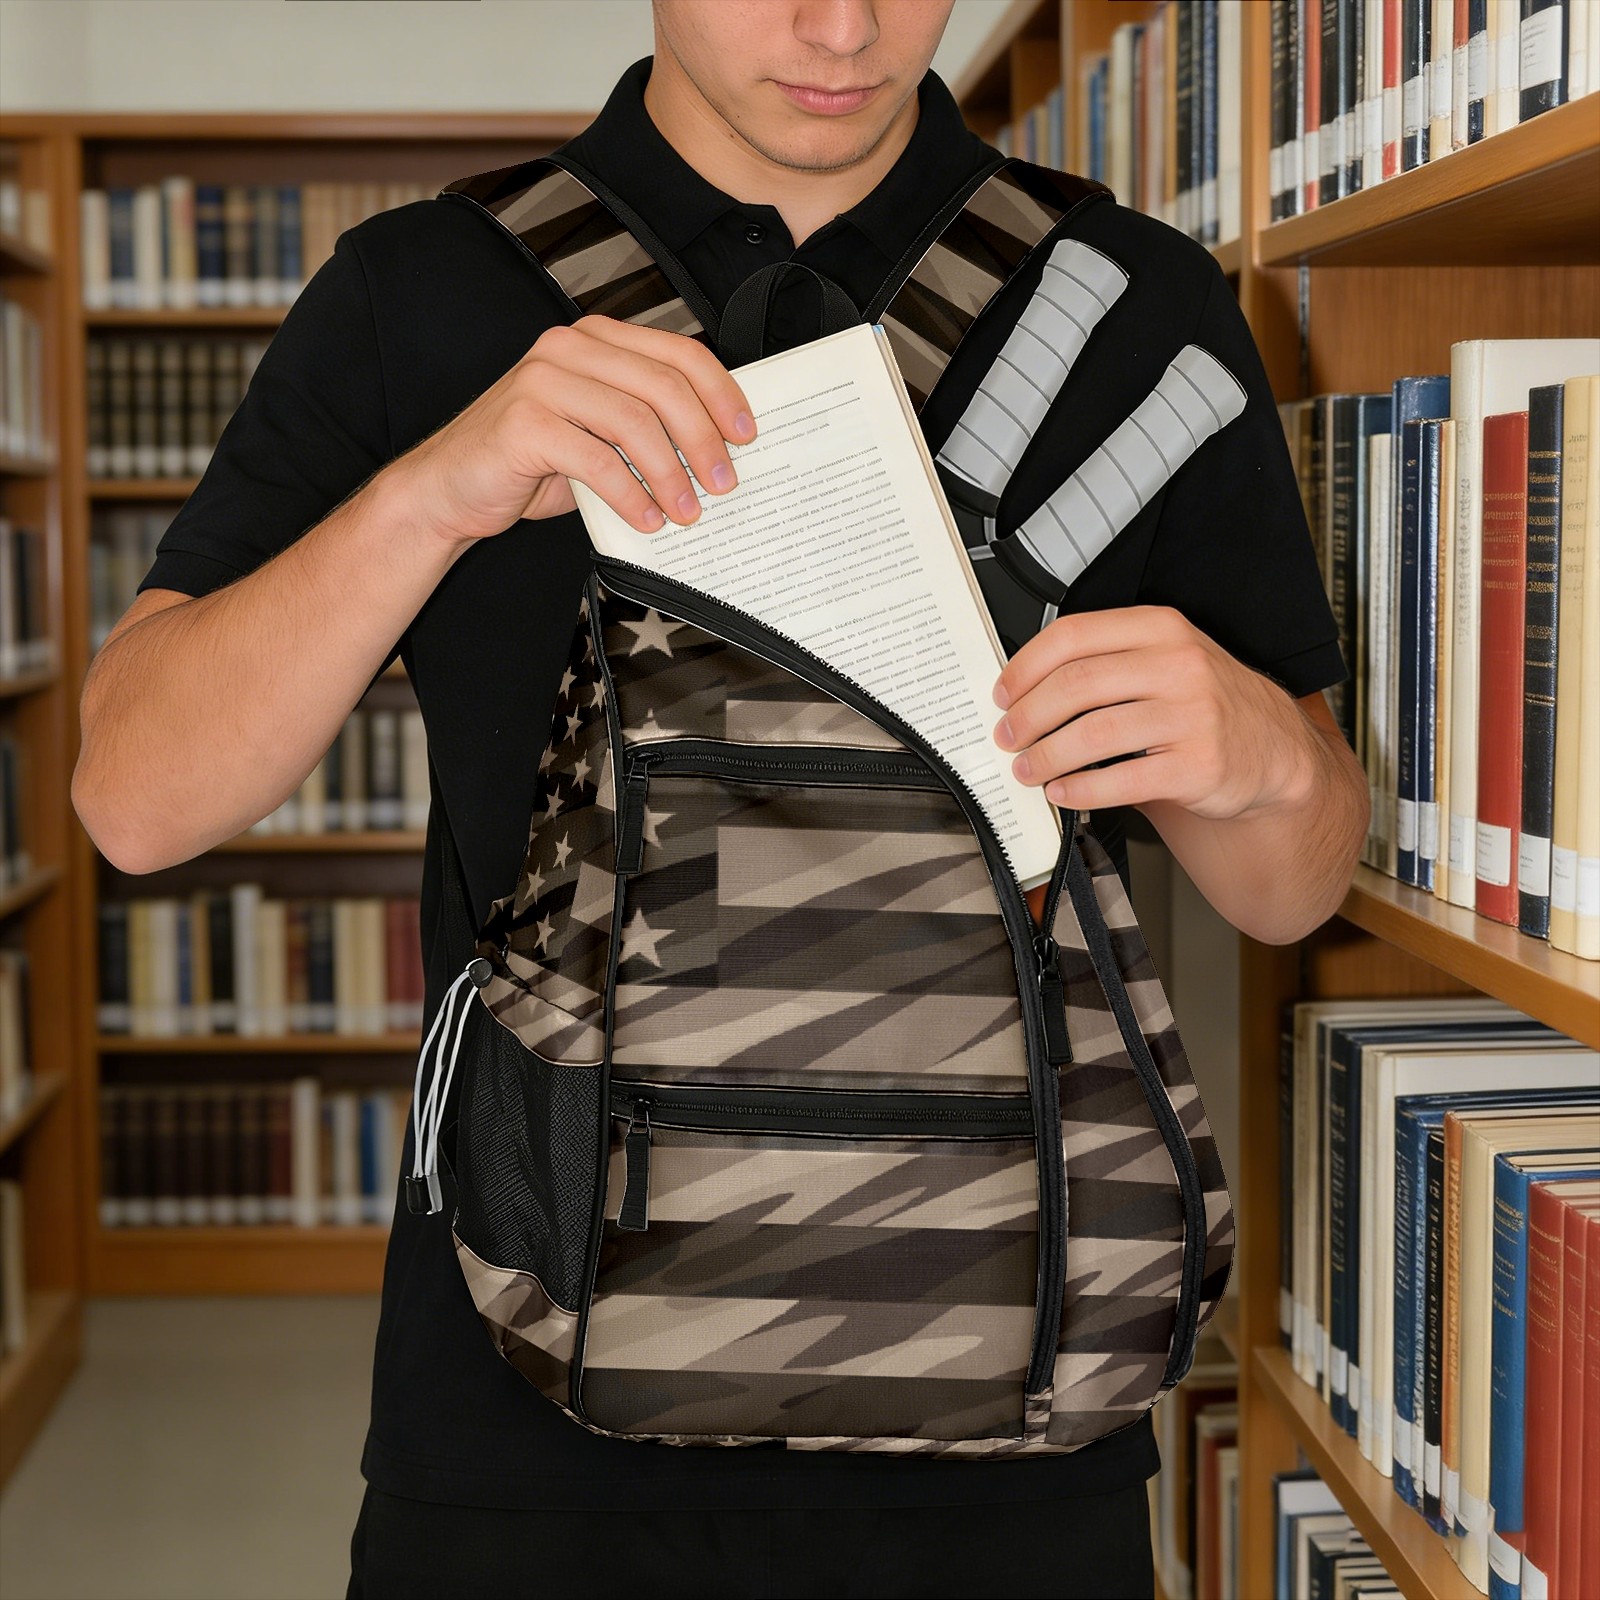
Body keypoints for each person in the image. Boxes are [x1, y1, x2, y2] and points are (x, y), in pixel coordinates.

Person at [70, 2, 1369, 1595]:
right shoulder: (423, 292)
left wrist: (1265, 753)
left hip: (1016, 1427)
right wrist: (428, 498)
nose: (844, 26)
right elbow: (135, 799)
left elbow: (1291, 891)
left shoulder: (1133, 305)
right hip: (524, 1429)